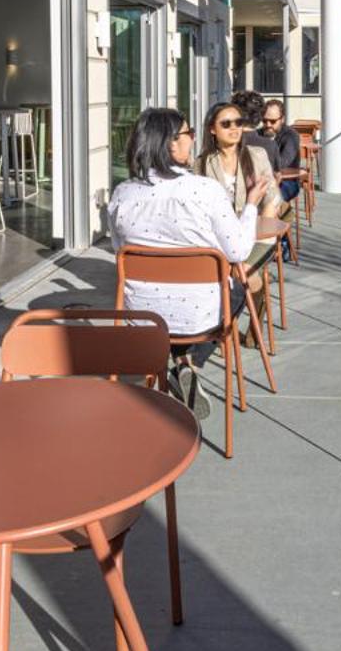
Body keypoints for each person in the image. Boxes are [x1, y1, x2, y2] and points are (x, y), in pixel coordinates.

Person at [107, 107, 271, 419]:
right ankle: (189, 361)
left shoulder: (122, 194)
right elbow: (237, 250)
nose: (192, 140)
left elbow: (120, 251)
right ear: (170, 143)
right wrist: (250, 204)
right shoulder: (204, 190)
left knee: (174, 304)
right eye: (188, 134)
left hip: (141, 318)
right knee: (239, 285)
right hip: (198, 317)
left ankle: (179, 361)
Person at [200, 98, 281, 343]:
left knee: (241, 273)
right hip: (219, 240)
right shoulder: (202, 163)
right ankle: (228, 326)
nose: (235, 128)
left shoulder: (256, 156)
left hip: (257, 236)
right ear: (212, 129)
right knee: (243, 279)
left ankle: (222, 331)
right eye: (227, 123)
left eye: (238, 122)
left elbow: (273, 199)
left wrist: (257, 233)